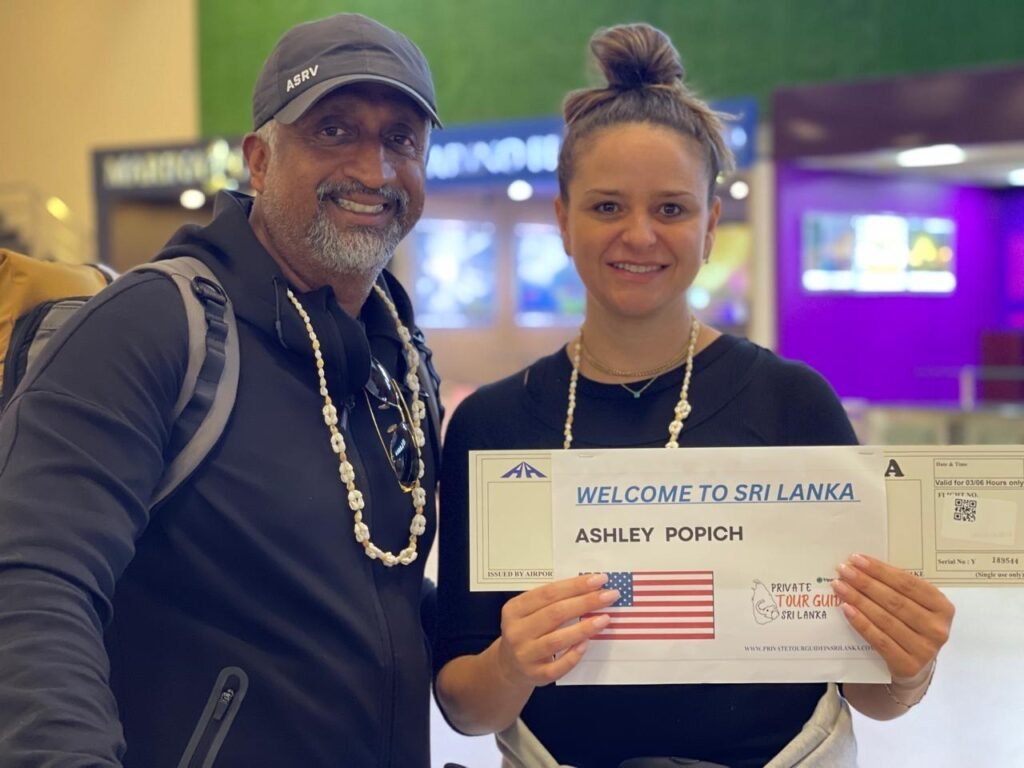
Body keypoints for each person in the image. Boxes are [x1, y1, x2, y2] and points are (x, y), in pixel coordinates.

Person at [434, 22, 955, 768]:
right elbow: (464, 704)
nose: (639, 235)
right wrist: (512, 663)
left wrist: (909, 664)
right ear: (562, 220)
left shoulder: (793, 405)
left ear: (711, 225)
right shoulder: (492, 424)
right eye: (607, 207)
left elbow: (869, 687)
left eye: (671, 209)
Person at [0, 13, 444, 768]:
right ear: (260, 161)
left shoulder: (396, 359)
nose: (374, 171)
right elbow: (32, 582)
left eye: (400, 138)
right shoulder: (154, 326)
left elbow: (363, 595)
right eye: (333, 130)